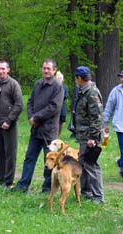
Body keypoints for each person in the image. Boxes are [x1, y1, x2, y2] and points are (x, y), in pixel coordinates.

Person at [13, 59, 63, 193]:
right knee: (29, 158)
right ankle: (22, 186)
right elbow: (30, 102)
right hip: (35, 130)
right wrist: (31, 117)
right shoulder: (37, 84)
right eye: (44, 68)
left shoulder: (58, 87)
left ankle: (47, 188)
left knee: (50, 161)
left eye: (49, 68)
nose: (46, 71)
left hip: (49, 131)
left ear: (54, 70)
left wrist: (36, 117)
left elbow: (54, 107)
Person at [0, 60, 23, 188]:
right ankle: (0, 180)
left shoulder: (13, 84)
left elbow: (19, 105)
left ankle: (8, 181)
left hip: (9, 126)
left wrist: (9, 120)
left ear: (8, 70)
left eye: (3, 69)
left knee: (10, 154)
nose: (1, 71)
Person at [74, 66, 104, 204]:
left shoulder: (91, 93)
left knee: (91, 165)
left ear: (80, 78)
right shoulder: (83, 92)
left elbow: (96, 117)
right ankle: (86, 192)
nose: (76, 80)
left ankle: (98, 196)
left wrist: (93, 137)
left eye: (76, 77)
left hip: (90, 136)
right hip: (83, 135)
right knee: (83, 163)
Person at [103, 70, 123, 178]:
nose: (122, 79)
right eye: (121, 77)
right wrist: (105, 122)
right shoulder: (116, 91)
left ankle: (120, 162)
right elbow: (109, 107)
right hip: (120, 126)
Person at [56, 71, 68, 136]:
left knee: (61, 122)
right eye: (58, 78)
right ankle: (54, 135)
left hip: (62, 107)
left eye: (61, 78)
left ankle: (58, 135)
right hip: (55, 107)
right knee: (55, 122)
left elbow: (65, 96)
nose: (59, 79)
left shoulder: (65, 87)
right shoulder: (53, 87)